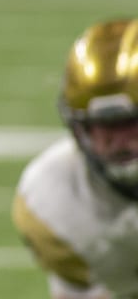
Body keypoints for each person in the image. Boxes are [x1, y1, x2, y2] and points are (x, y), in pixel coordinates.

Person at [13, 19, 138, 298]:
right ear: (78, 127)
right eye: (103, 126)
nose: (121, 142)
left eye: (131, 122)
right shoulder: (51, 200)